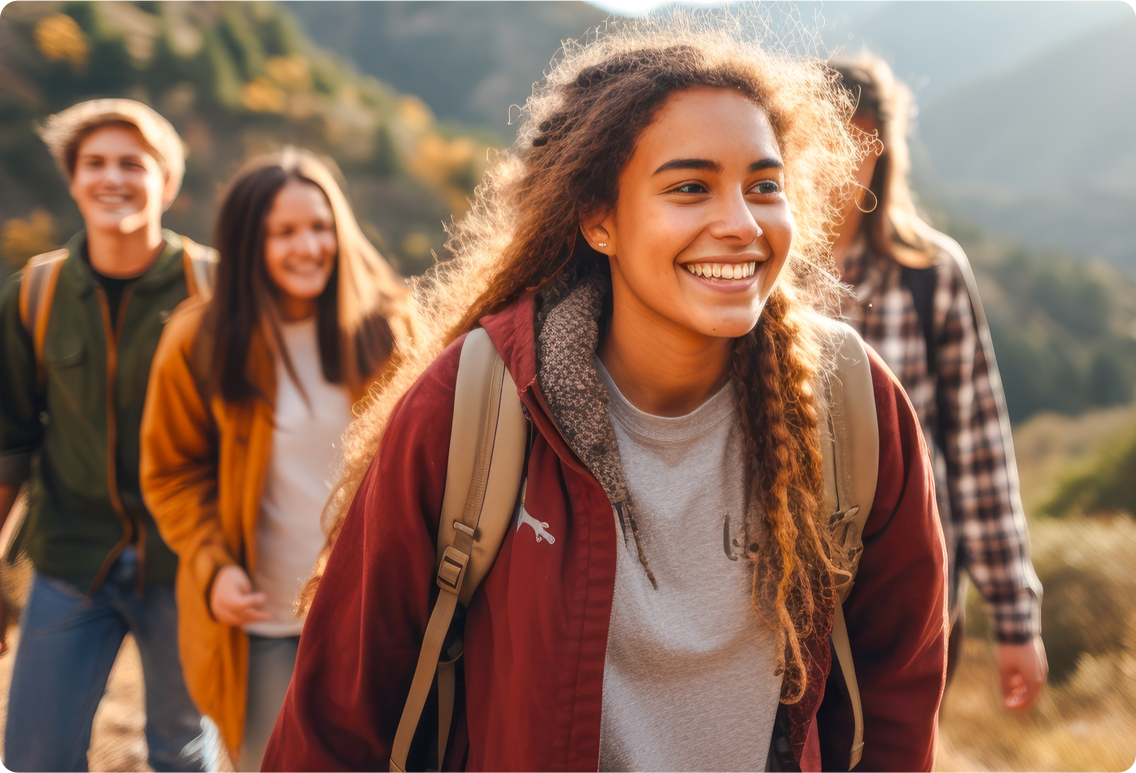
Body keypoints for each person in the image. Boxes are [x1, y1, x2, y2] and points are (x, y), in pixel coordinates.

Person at [264, 19, 947, 773]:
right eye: (690, 188)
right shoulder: (478, 403)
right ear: (599, 219)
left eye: (764, 186)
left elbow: (897, 693)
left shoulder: (850, 402)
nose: (741, 224)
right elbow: (339, 718)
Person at [138, 147, 413, 771]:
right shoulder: (199, 338)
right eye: (283, 232)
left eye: (319, 226)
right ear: (245, 243)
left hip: (367, 615)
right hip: (259, 617)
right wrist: (212, 568)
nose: (308, 246)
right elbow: (171, 473)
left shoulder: (390, 329)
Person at [829, 55, 1046, 710]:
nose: (845, 160)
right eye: (827, 137)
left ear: (884, 151)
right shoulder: (758, 272)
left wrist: (1015, 618)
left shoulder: (931, 273)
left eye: (862, 140)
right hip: (787, 602)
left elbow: (980, 452)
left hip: (914, 598)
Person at [0, 99, 208, 772]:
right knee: (35, 754)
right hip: (70, 558)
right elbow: (8, 443)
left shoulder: (219, 287)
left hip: (188, 562)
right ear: (72, 179)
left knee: (182, 750)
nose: (112, 178)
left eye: (132, 163)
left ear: (167, 182)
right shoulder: (34, 292)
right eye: (94, 163)